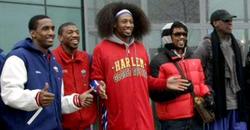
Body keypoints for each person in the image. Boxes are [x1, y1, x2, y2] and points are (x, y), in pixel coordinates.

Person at [91, 2, 190, 130]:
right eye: (124, 21)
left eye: (131, 22)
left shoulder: (140, 48)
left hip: (144, 119)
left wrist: (164, 83)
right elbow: (94, 79)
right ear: (114, 24)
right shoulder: (101, 49)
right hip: (117, 119)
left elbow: (146, 80)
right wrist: (99, 86)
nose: (128, 25)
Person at [0, 15, 94, 130]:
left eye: (52, 28)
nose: (51, 33)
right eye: (45, 29)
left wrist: (77, 100)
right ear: (33, 33)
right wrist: (36, 97)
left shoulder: (53, 62)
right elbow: (9, 94)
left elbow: (57, 102)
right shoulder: (18, 57)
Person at [150, 21, 211, 130]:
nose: (182, 37)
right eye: (177, 34)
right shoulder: (158, 61)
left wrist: (208, 95)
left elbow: (202, 83)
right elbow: (155, 94)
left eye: (184, 34)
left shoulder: (195, 57)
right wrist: (179, 90)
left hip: (196, 118)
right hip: (172, 122)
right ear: (168, 36)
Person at [193, 9, 247, 130]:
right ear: (215, 23)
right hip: (217, 103)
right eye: (226, 20)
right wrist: (205, 92)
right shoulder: (206, 44)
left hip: (237, 103)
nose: (230, 23)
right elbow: (195, 70)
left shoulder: (238, 45)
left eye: (231, 20)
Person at [53, 22, 97, 130]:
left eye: (77, 32)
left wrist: (99, 86)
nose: (75, 35)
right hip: (63, 125)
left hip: (86, 124)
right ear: (60, 37)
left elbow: (95, 79)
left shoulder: (87, 57)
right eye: (70, 32)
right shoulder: (52, 58)